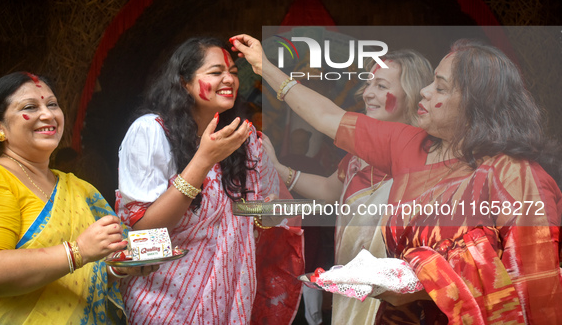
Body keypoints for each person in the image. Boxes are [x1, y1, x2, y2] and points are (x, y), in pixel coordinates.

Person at [232, 34, 562, 324]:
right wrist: (264, 66)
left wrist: (430, 281)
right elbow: (326, 117)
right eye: (431, 81)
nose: (425, 91)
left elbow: (534, 292)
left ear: (475, 105)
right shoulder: (408, 144)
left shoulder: (515, 176)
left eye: (441, 87)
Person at [115, 37, 303, 325]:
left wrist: (263, 215)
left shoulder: (246, 139)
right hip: (165, 301)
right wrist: (203, 160)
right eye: (215, 73)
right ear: (184, 82)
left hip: (228, 294)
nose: (229, 79)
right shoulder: (151, 133)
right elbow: (143, 227)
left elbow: (259, 213)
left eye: (234, 73)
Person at [263, 50, 433, 324]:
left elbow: (324, 116)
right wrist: (279, 169)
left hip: (395, 306)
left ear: (412, 94)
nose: (367, 94)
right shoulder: (358, 155)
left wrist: (265, 67)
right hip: (350, 295)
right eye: (368, 84)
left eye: (381, 86)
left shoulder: (420, 150)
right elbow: (331, 191)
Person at [0, 72, 155, 325]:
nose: (48, 115)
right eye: (30, 107)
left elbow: (79, 274)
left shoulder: (78, 189)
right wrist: (77, 251)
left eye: (52, 104)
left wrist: (117, 268)